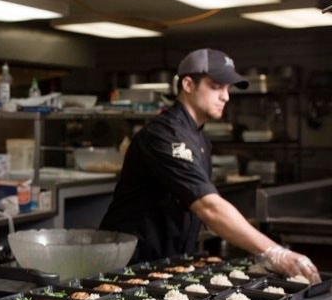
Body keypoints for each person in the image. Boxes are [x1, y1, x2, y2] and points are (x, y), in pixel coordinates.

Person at [100, 48, 320, 283]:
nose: (225, 96)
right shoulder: (163, 135)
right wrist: (274, 252)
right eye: (216, 86)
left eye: (227, 88)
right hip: (131, 263)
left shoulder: (200, 138)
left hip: (167, 261)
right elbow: (209, 206)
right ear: (188, 84)